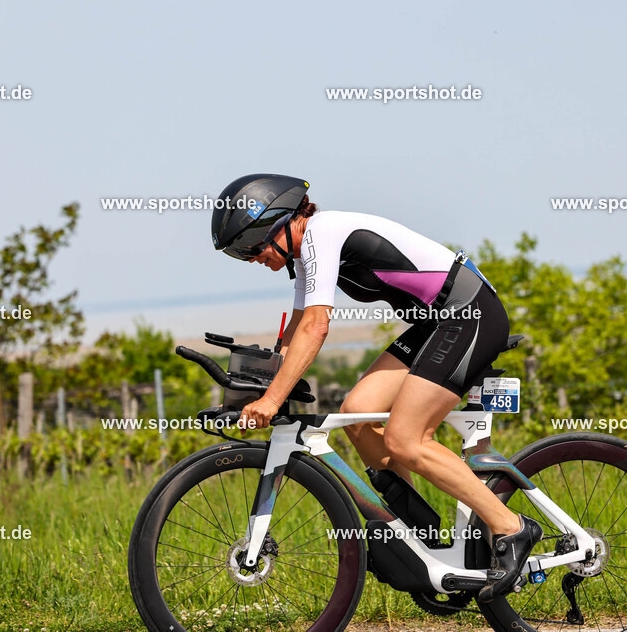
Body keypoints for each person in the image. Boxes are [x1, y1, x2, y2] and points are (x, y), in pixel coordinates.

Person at [210, 173, 541, 601]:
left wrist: (274, 400)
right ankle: (416, 534)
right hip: (434, 323)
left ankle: (510, 528)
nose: (252, 259)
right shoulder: (306, 257)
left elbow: (317, 325)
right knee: (358, 412)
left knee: (406, 439)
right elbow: (294, 329)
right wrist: (263, 391)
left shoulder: (321, 234)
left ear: (275, 224)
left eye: (250, 248)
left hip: (467, 314)